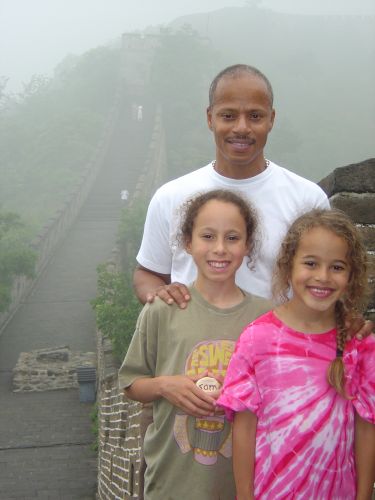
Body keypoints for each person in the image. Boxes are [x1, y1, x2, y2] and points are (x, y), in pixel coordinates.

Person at [133, 63, 330, 306]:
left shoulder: (307, 200)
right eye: (228, 116)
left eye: (255, 116)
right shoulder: (171, 197)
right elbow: (149, 273)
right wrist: (159, 296)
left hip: (276, 342)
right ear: (210, 118)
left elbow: (326, 279)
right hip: (192, 341)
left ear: (271, 119)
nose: (241, 128)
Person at [119, 189, 272, 499]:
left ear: (247, 245)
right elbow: (131, 383)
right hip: (172, 483)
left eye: (232, 238)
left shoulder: (266, 318)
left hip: (245, 485)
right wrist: (165, 385)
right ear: (188, 242)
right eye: (207, 236)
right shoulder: (163, 309)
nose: (219, 249)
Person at [217, 208, 375, 499]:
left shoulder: (360, 344)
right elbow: (244, 427)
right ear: (289, 266)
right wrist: (244, 495)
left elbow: (367, 428)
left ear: (352, 275)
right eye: (311, 263)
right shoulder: (257, 339)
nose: (323, 277)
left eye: (337, 267)